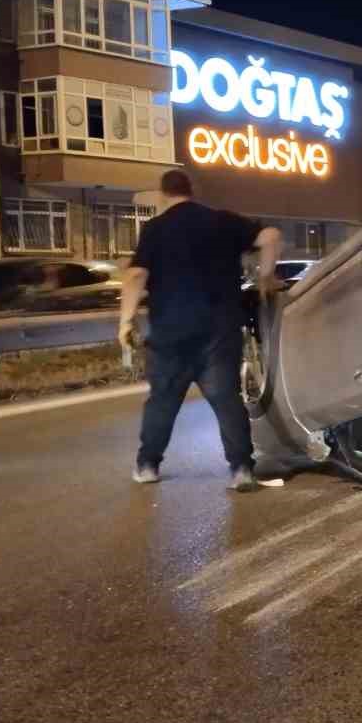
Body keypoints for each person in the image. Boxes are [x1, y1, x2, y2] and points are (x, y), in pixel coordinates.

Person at [118, 169, 282, 488]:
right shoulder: (223, 221)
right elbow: (271, 236)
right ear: (193, 190)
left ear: (163, 194)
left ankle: (148, 466)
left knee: (162, 401)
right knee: (226, 399)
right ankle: (241, 470)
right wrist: (265, 277)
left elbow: (136, 275)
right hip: (219, 330)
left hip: (170, 332)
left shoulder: (156, 229)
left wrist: (126, 320)